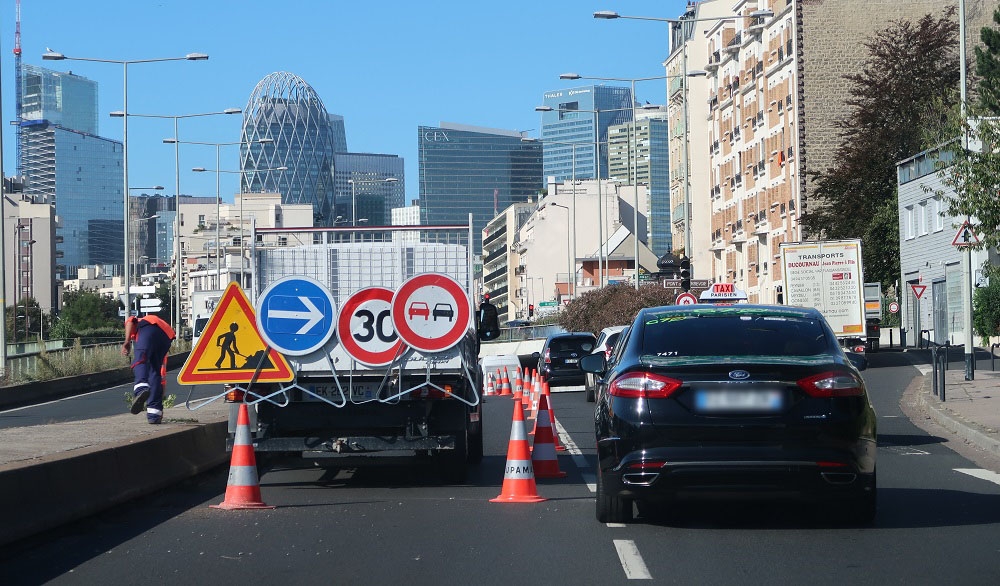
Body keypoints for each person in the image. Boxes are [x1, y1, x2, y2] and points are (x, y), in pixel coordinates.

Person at [122, 313, 176, 424]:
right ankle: (154, 413)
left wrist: (127, 341)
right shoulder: (158, 327)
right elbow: (161, 373)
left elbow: (130, 320)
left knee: (139, 359)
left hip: (149, 326)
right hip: (167, 336)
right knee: (154, 372)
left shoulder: (140, 323)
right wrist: (161, 395)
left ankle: (141, 388)